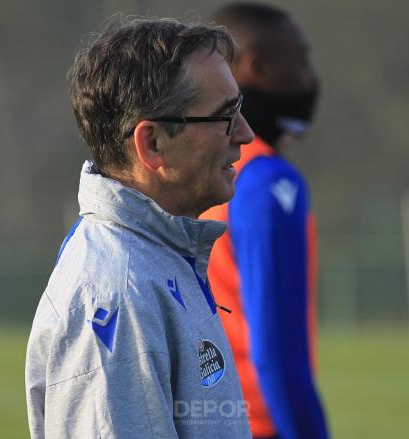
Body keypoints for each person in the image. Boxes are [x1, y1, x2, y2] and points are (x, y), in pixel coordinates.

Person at [25, 17, 255, 438]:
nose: (245, 133)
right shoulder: (116, 294)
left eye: (239, 109)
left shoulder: (157, 256)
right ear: (152, 144)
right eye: (225, 116)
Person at [201, 3, 329, 438]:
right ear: (257, 67)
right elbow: (277, 353)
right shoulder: (269, 183)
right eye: (301, 62)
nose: (309, 79)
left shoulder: (190, 175)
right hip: (257, 423)